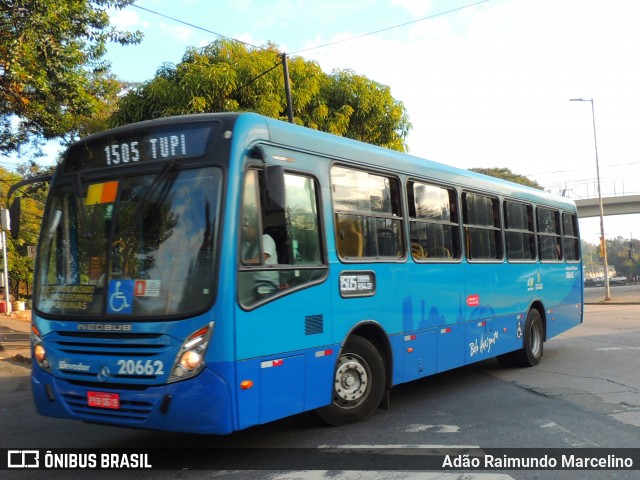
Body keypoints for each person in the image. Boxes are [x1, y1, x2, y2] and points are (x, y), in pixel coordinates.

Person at [241, 218, 279, 297]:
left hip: (266, 285)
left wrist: (237, 263)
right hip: (250, 283)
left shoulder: (265, 239)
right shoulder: (245, 245)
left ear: (251, 227)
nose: (242, 232)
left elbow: (259, 260)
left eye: (244, 229)